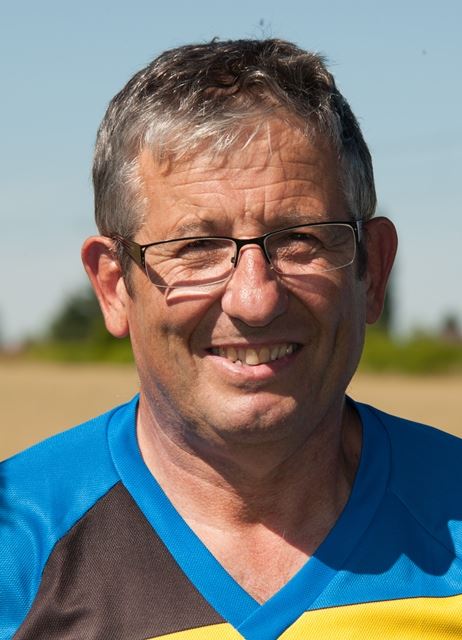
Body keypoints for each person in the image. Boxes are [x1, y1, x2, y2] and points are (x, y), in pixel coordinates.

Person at [1, 38, 461, 640]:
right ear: (114, 287)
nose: (255, 299)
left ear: (372, 270)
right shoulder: (16, 549)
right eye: (196, 247)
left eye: (300, 239)